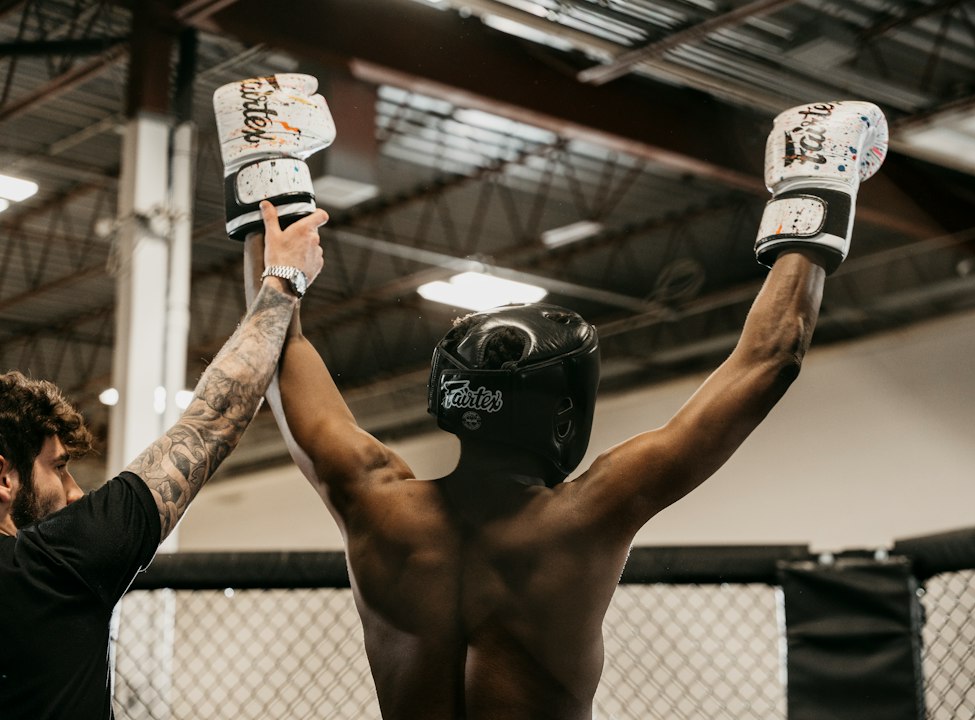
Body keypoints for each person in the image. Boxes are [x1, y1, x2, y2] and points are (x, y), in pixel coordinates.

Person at [245, 97, 888, 719]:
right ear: (563, 415)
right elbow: (770, 359)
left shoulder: (371, 500)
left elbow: (278, 346)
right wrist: (815, 187)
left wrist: (265, 180)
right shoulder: (589, 513)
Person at [0, 197, 327, 715]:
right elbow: (211, 421)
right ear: (3, 476)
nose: (74, 491)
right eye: (57, 466)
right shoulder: (53, 569)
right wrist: (284, 277)